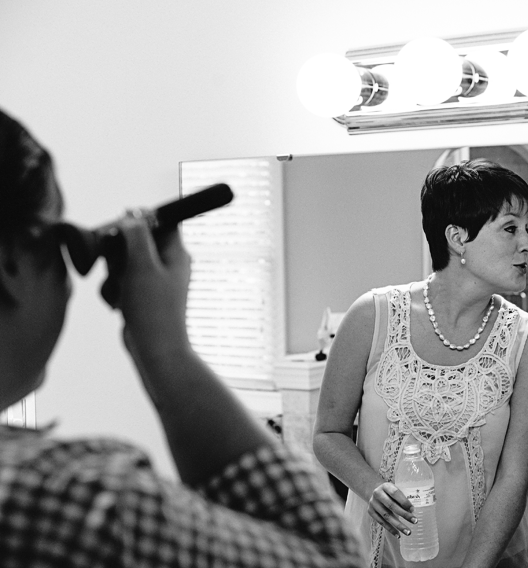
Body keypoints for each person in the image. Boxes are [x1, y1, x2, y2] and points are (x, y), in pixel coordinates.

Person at [0, 108, 363, 567]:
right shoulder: (80, 505)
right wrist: (164, 345)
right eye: (57, 235)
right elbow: (332, 558)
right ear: (11, 262)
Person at [314, 159, 528, 568]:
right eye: (510, 228)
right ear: (457, 237)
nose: (527, 245)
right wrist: (371, 486)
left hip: (486, 556)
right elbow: (327, 434)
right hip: (381, 551)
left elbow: (514, 480)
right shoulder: (371, 317)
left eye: (527, 230)